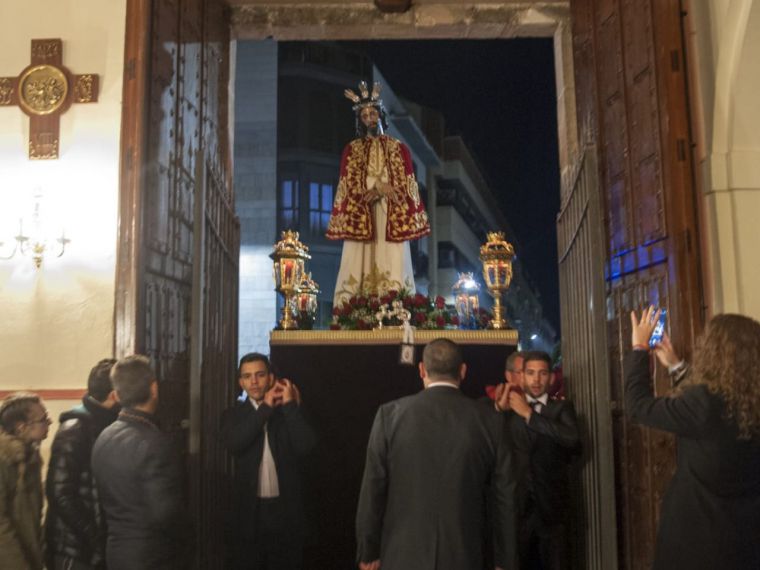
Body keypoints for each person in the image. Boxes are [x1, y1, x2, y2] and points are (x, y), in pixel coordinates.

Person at [356, 338, 518, 570]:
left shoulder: (389, 416)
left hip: (402, 553)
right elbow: (505, 497)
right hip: (465, 554)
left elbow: (373, 488)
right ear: (463, 371)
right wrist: (505, 560)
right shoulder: (490, 420)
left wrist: (368, 550)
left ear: (422, 369)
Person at [626, 308, 760, 569]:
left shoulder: (704, 405)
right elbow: (713, 413)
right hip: (744, 543)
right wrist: (677, 366)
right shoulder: (749, 405)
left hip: (696, 543)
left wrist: (639, 348)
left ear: (713, 352)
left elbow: (637, 406)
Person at [326, 80, 430, 306]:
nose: (369, 119)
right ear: (360, 120)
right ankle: (356, 306)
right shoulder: (352, 150)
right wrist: (370, 190)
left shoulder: (398, 148)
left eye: (373, 113)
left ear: (381, 115)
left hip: (389, 212)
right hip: (364, 211)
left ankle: (394, 303)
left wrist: (385, 189)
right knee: (359, 257)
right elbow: (347, 185)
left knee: (391, 257)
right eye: (364, 116)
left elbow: (409, 184)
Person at [220, 353, 317, 570]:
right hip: (249, 513)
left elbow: (306, 447)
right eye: (247, 376)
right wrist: (265, 408)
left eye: (260, 375)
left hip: (286, 512)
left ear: (271, 378)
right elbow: (236, 443)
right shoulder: (232, 415)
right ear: (241, 382)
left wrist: (291, 407)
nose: (254, 381)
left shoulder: (289, 411)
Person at [92, 355, 188, 570]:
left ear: (116, 394)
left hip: (116, 552)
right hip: (153, 557)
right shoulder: (155, 442)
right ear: (154, 388)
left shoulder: (104, 436)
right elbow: (166, 514)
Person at [494, 351, 580, 570]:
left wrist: (530, 415)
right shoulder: (507, 410)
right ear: (521, 376)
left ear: (551, 378)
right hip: (518, 511)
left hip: (552, 509)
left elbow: (572, 439)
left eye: (542, 373)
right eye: (530, 373)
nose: (536, 379)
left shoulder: (561, 409)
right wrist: (499, 412)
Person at [45, 358, 119, 570]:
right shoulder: (75, 427)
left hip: (92, 544)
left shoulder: (108, 422)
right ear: (114, 395)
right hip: (73, 547)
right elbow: (59, 492)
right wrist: (94, 537)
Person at [0, 392, 50, 570]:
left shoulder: (30, 455)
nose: (49, 423)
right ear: (21, 427)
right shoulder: (5, 459)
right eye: (43, 419)